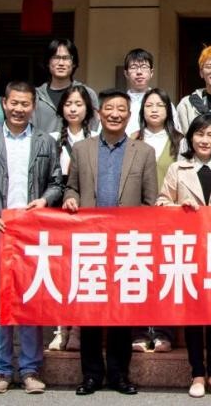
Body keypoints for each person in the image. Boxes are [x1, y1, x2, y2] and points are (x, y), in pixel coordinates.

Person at [0, 81, 64, 395]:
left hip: (32, 237)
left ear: (34, 106)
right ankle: (2, 369)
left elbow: (57, 183)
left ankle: (31, 369)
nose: (19, 109)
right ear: (4, 104)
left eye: (25, 104)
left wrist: (45, 200)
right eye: (14, 103)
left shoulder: (45, 142)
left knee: (31, 303)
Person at [63, 89, 159, 396]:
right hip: (90, 242)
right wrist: (70, 199)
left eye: (121, 109)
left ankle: (119, 375)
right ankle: (91, 375)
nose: (115, 114)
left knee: (122, 312)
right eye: (109, 108)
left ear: (129, 116)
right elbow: (71, 188)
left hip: (126, 245)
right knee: (89, 311)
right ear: (99, 113)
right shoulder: (82, 149)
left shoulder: (144, 152)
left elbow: (150, 201)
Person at [156, 113, 211, 398]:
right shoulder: (177, 169)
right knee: (194, 313)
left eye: (210, 134)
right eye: (199, 134)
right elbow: (161, 203)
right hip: (189, 249)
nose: (204, 140)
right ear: (190, 138)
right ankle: (196, 373)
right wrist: (178, 206)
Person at [130, 88, 183, 354]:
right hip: (138, 216)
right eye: (149, 105)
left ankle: (164, 332)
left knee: (167, 274)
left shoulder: (180, 141)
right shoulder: (133, 139)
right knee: (139, 272)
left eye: (160, 105)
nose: (154, 109)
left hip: (170, 218)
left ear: (168, 111)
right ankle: (140, 331)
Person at [47, 84, 97, 353]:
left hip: (87, 209)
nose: (73, 109)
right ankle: (60, 327)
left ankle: (77, 327)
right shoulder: (51, 139)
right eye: (68, 104)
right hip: (58, 207)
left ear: (88, 108)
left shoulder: (97, 138)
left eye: (79, 104)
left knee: (82, 268)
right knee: (60, 269)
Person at [33, 38, 99, 134]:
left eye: (66, 58)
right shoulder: (36, 95)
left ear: (74, 63)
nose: (61, 63)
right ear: (48, 62)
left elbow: (94, 126)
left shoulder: (87, 93)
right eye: (56, 57)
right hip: (43, 144)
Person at [123, 48, 155, 136]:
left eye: (144, 67)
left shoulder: (162, 101)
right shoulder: (120, 102)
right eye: (133, 67)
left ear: (151, 72)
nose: (139, 72)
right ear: (126, 73)